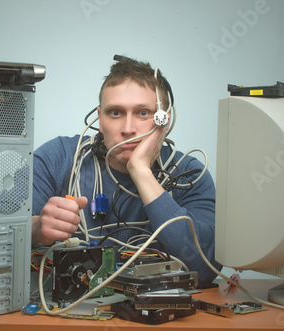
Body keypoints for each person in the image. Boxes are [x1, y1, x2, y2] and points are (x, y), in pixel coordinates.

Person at [31, 56, 222, 286]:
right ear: (100, 120)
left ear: (164, 121)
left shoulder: (189, 174)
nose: (128, 129)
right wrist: (35, 229)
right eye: (115, 113)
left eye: (143, 113)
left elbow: (204, 269)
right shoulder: (57, 159)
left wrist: (141, 171)